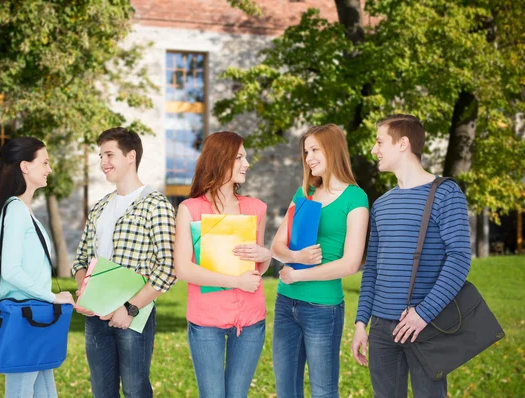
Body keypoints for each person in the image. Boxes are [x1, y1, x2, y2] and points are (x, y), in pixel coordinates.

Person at [351, 114, 471, 397]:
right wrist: (361, 323)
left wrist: (423, 314)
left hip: (425, 325)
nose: (373, 149)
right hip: (381, 329)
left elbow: (459, 259)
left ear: (403, 143)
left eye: (380, 141)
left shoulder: (446, 194)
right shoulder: (380, 205)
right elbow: (372, 270)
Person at [72, 127, 176, 398]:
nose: (103, 162)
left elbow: (169, 267)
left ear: (131, 156)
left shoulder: (156, 205)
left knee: (135, 390)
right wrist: (84, 293)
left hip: (134, 316)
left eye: (109, 154)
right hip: (96, 317)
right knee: (101, 391)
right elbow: (81, 259)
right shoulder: (99, 207)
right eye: (100, 156)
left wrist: (129, 309)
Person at [271, 124, 369, 398]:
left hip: (323, 308)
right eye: (306, 151)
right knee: (286, 390)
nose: (309, 157)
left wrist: (299, 274)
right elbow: (276, 245)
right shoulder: (304, 193)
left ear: (333, 149)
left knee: (324, 391)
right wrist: (296, 257)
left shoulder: (355, 198)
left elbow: (350, 263)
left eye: (315, 149)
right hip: (285, 303)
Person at [173, 131, 271, 398]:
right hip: (206, 320)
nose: (247, 163)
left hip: (250, 319)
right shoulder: (190, 210)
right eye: (240, 157)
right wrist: (235, 282)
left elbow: (258, 267)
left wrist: (265, 256)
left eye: (246, 157)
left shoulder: (256, 208)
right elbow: (183, 269)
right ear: (220, 160)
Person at [0, 137, 75, 398]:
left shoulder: (24, 210)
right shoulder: (15, 210)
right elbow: (10, 271)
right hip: (26, 319)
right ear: (25, 166)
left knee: (46, 394)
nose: (49, 169)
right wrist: (53, 296)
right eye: (44, 162)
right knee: (22, 392)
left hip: (33, 319)